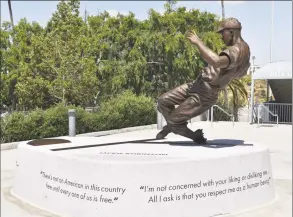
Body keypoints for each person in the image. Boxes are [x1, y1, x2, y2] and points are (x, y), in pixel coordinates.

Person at [156, 18, 251, 144]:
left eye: (223, 33)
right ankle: (173, 126)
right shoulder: (244, 50)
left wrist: (198, 42)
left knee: (174, 120)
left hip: (205, 94)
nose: (222, 37)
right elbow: (240, 72)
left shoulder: (237, 50)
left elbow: (216, 61)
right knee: (162, 101)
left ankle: (193, 135)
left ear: (232, 32)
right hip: (197, 85)